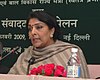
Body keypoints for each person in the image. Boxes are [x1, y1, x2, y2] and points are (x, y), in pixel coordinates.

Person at [8, 11, 90, 78]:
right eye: (30, 29)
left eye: (39, 27)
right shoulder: (26, 55)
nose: (33, 32)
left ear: (52, 31)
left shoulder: (71, 53)